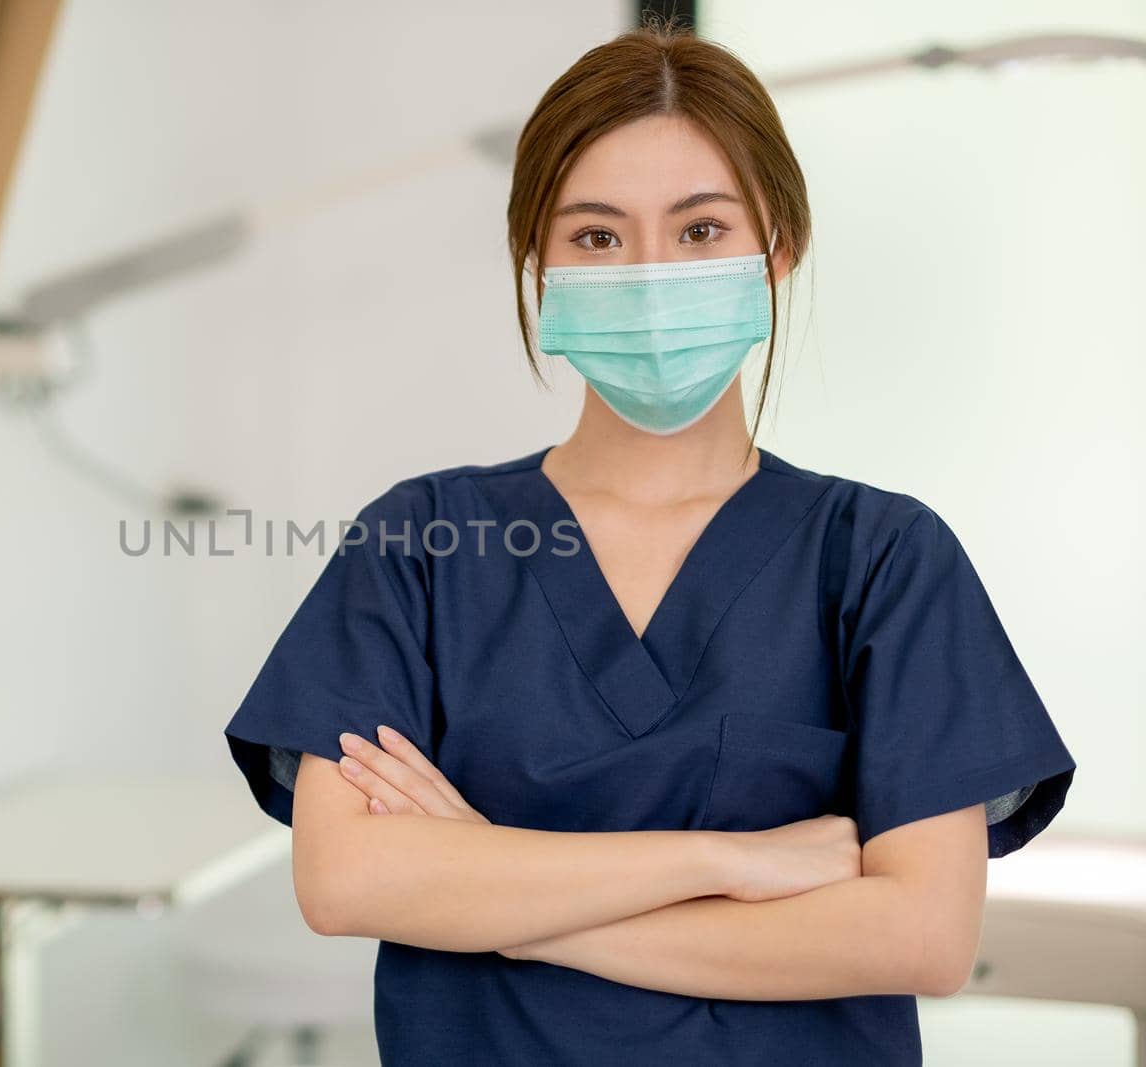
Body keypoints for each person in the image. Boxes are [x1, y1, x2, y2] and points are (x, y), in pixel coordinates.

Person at [222, 18, 1077, 1066]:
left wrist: (483, 878)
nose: (648, 275)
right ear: (536, 260)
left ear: (779, 247)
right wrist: (728, 859)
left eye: (700, 230)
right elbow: (345, 879)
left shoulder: (883, 559)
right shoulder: (421, 545)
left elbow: (923, 935)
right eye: (595, 236)